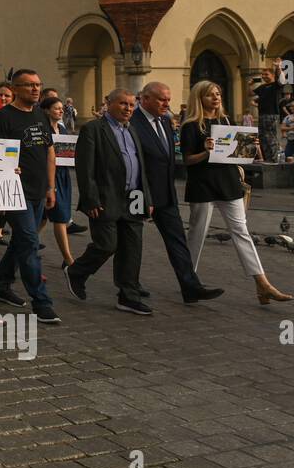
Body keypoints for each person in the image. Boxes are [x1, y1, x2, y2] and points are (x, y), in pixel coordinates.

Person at [181, 80, 293, 305]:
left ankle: (263, 284)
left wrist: (250, 147)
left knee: (241, 232)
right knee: (197, 234)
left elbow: (236, 154)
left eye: (218, 94)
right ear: (199, 98)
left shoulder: (225, 120)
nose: (216, 98)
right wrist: (205, 152)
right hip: (203, 184)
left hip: (229, 182)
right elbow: (187, 160)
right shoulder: (191, 125)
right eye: (210, 95)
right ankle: (188, 281)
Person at [62, 89, 153, 315]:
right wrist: (91, 199)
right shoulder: (93, 129)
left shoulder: (133, 130)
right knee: (106, 245)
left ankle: (128, 296)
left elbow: (141, 167)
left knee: (132, 248)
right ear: (108, 104)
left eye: (132, 105)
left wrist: (147, 198)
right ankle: (77, 272)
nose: (128, 109)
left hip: (134, 198)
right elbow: (85, 168)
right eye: (123, 104)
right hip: (105, 198)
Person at [133, 82, 224, 304]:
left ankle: (190, 287)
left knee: (177, 241)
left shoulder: (165, 120)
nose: (167, 104)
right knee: (129, 242)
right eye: (162, 99)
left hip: (165, 192)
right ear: (145, 99)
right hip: (140, 192)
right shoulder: (132, 122)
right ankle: (124, 284)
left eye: (168, 99)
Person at [0, 68, 61, 324]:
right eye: (29, 85)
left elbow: (49, 152)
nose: (36, 89)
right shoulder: (3, 117)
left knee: (21, 243)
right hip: (15, 192)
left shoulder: (40, 114)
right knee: (29, 242)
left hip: (39, 191)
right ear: (15, 89)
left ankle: (1, 285)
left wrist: (51, 187)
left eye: (38, 85)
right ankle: (42, 302)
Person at [38, 96, 75, 271]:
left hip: (63, 174)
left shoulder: (61, 128)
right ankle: (68, 259)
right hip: (48, 176)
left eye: (61, 108)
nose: (61, 111)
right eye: (56, 108)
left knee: (43, 218)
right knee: (60, 217)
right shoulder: (42, 129)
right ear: (46, 110)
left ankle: (24, 244)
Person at [253, 63, 285, 163]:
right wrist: (250, 84)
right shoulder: (262, 87)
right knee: (262, 137)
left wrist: (278, 67)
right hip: (262, 115)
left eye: (266, 74)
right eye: (263, 74)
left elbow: (282, 80)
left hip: (271, 115)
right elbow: (250, 94)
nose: (263, 76)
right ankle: (267, 159)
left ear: (272, 75)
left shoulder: (275, 85)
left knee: (271, 138)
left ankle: (275, 160)